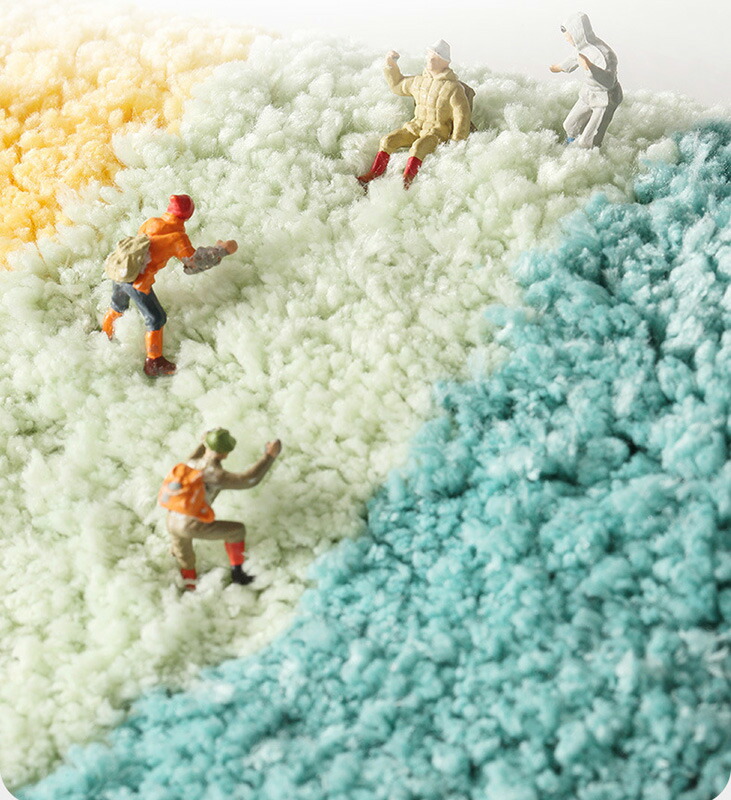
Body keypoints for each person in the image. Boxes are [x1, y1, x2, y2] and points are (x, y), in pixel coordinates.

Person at [100, 194, 238, 377]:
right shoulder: (178, 238)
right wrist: (221, 250)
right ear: (187, 216)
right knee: (156, 318)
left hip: (121, 273)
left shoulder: (151, 222)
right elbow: (193, 263)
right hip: (138, 283)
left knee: (117, 307)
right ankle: (154, 362)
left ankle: (104, 335)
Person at [159, 428, 282, 591]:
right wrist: (269, 456)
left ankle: (189, 584)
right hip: (190, 524)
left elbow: (201, 451)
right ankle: (238, 575)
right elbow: (249, 480)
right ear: (225, 454)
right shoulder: (216, 475)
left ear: (206, 445)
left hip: (172, 521)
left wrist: (204, 442)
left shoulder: (191, 462)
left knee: (184, 556)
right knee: (237, 531)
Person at [357, 40, 473, 189]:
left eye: (435, 58)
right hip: (415, 127)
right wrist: (391, 65)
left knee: (419, 147)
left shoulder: (453, 88)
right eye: (429, 56)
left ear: (445, 62)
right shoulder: (418, 82)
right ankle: (374, 173)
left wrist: (456, 143)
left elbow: (461, 116)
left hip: (437, 133)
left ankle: (406, 182)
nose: (430, 60)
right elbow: (397, 85)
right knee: (387, 141)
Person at [549, 12, 622, 148]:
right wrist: (558, 67)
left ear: (577, 33)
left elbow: (608, 81)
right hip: (588, 92)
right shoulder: (581, 48)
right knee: (570, 125)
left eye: (568, 35)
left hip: (605, 98)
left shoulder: (605, 54)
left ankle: (589, 155)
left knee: (588, 140)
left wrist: (590, 67)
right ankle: (570, 148)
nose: (566, 39)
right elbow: (572, 60)